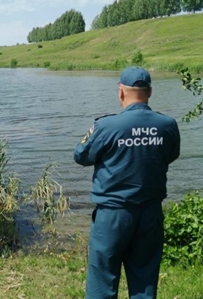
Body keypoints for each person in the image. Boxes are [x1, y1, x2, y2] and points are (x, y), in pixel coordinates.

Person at [74, 66, 180, 299]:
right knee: (144, 277)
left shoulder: (106, 126)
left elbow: (81, 156)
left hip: (113, 214)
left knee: (103, 277)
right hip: (150, 213)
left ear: (121, 92)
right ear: (149, 92)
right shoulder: (168, 125)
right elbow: (171, 155)